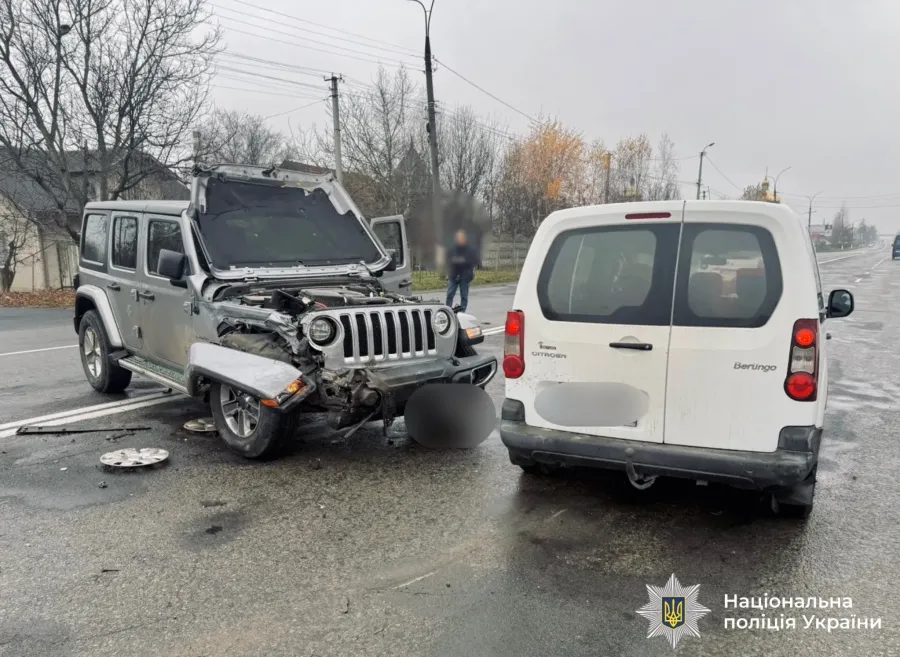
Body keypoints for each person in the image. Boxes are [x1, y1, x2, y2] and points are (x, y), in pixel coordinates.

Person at [446, 229, 479, 312]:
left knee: (464, 296)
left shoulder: (470, 250)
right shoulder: (452, 249)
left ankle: (462, 313)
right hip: (453, 275)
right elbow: (448, 259)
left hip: (465, 276)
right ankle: (447, 311)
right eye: (458, 237)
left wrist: (463, 261)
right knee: (450, 294)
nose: (460, 239)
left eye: (461, 237)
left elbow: (474, 261)